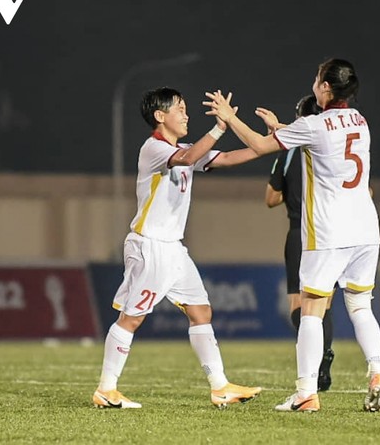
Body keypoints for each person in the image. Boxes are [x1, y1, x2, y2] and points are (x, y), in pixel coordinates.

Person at [204, 58, 380, 413]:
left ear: (325, 88)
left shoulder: (314, 125)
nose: (314, 83)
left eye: (317, 78)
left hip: (329, 231)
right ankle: (378, 373)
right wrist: (283, 128)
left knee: (311, 311)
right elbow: (327, 138)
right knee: (361, 306)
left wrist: (229, 118)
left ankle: (306, 392)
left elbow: (259, 146)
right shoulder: (361, 122)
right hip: (366, 229)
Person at [93, 87, 262, 410]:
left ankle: (220, 386)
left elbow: (225, 158)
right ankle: (106, 389)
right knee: (132, 318)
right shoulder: (154, 149)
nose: (186, 114)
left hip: (173, 249)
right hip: (150, 246)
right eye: (180, 109)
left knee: (201, 312)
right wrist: (219, 128)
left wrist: (266, 143)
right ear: (160, 116)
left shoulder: (185, 149)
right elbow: (186, 158)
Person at [266, 94, 336, 392]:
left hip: (300, 231)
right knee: (325, 303)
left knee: (299, 302)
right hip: (331, 232)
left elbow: (271, 199)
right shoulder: (332, 149)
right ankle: (327, 356)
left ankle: (313, 366)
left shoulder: (289, 151)